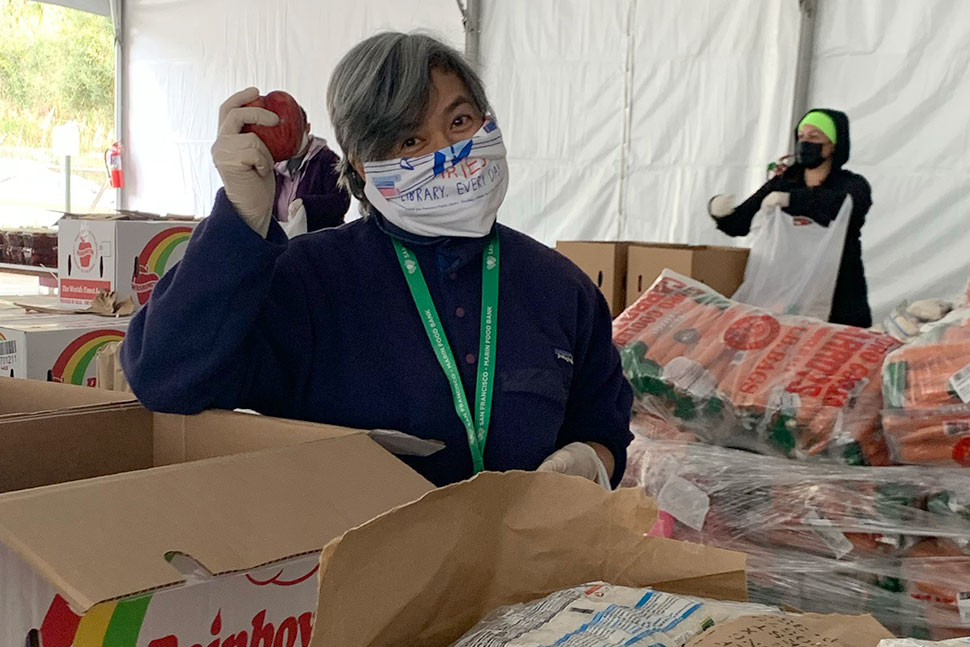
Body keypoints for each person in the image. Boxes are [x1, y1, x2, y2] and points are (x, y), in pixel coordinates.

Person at [121, 32, 633, 488]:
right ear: (363, 167)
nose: (448, 151)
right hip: (346, 578)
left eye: (459, 121)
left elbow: (604, 428)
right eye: (411, 140)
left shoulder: (559, 287)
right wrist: (239, 220)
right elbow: (166, 378)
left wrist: (591, 460)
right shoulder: (306, 280)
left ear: (487, 122)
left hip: (521, 576)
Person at [708, 109, 873, 328]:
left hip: (839, 292)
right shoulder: (783, 182)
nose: (805, 143)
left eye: (814, 137)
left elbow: (846, 204)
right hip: (785, 293)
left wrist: (792, 200)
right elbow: (740, 224)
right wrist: (721, 212)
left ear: (833, 145)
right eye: (802, 137)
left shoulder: (851, 184)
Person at [273, 105, 350, 237]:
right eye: (284, 134)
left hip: (320, 243)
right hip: (282, 242)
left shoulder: (327, 160)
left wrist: (306, 204)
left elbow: (341, 201)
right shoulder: (276, 163)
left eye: (295, 133)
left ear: (307, 129)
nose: (290, 140)